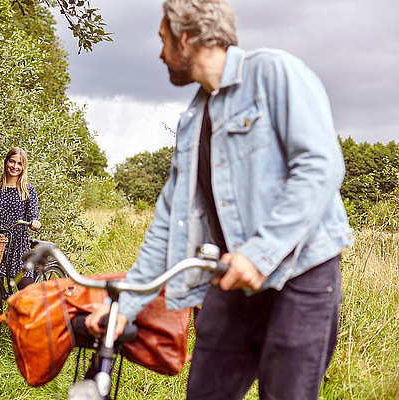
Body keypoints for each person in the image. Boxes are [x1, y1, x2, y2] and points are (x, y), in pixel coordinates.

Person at [85, 0, 354, 398]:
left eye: (163, 40)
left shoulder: (274, 73)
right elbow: (168, 221)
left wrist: (259, 254)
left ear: (187, 38)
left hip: (301, 279)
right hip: (232, 283)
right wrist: (123, 307)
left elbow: (320, 167)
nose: (160, 54)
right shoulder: (193, 119)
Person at [0, 147, 41, 289]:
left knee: (27, 291)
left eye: (19, 164)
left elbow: (33, 214)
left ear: (23, 167)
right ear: (6, 162)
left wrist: (35, 222)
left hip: (18, 245)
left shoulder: (28, 190)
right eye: (12, 162)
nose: (15, 166)